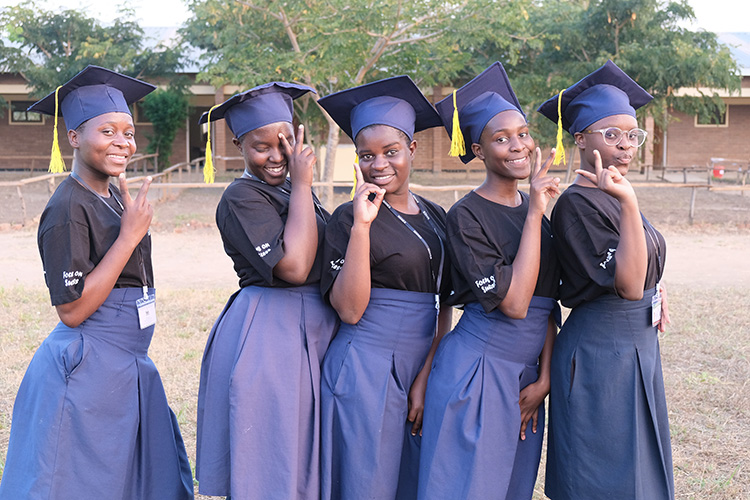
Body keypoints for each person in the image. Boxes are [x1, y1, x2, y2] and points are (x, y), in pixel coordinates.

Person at [0, 66, 194, 499]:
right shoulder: (67, 208)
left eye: (128, 132)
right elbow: (71, 311)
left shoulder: (108, 197)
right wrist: (129, 236)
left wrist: (129, 225)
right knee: (78, 482)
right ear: (73, 137)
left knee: (127, 478)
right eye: (107, 131)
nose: (123, 142)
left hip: (124, 361)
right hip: (88, 366)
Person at [417, 62, 561, 500]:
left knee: (510, 487)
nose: (518, 146)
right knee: (464, 488)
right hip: (476, 372)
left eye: (522, 133)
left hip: (525, 376)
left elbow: (548, 304)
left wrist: (545, 379)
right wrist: (535, 212)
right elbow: (516, 304)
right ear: (478, 151)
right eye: (501, 139)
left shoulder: (536, 209)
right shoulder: (467, 216)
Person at [194, 82, 338, 500]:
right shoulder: (242, 196)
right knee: (274, 453)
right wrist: (304, 183)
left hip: (313, 327)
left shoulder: (291, 189)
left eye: (286, 141)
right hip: (272, 330)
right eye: (262, 147)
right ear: (238, 144)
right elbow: (293, 267)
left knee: (306, 449)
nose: (277, 155)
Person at [537, 60, 673, 500]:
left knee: (640, 471)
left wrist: (659, 286)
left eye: (632, 135)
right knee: (601, 475)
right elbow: (628, 285)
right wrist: (631, 205)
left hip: (637, 346)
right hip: (600, 353)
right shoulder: (578, 205)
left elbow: (645, 266)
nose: (626, 145)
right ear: (580, 139)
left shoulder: (612, 193)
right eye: (611, 134)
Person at [316, 75, 453, 500]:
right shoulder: (345, 218)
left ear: (412, 149)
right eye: (367, 155)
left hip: (421, 359)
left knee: (413, 479)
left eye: (391, 152)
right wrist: (362, 226)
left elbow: (444, 301)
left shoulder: (436, 215)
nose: (379, 165)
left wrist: (428, 373)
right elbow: (350, 310)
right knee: (366, 481)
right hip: (366, 367)